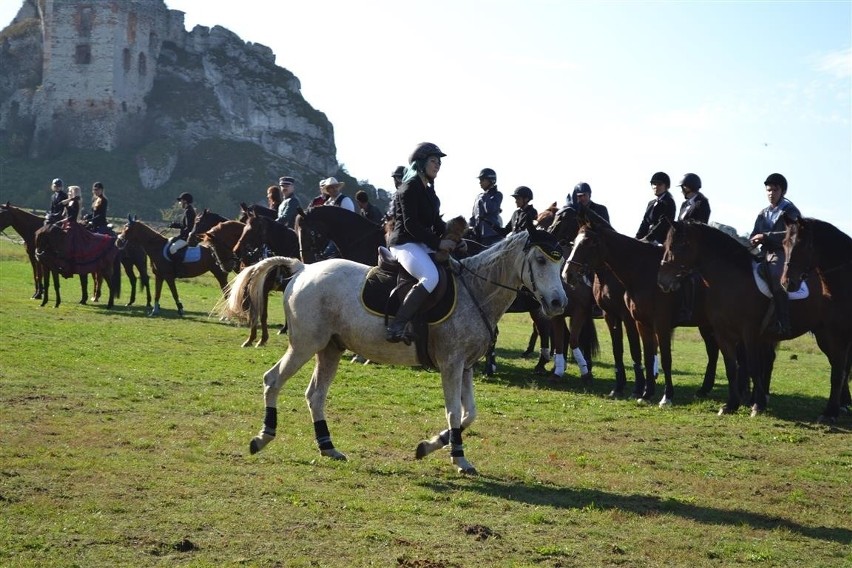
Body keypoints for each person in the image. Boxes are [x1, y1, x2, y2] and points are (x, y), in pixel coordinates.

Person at [386, 142, 453, 344]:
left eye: (439, 162)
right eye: (434, 161)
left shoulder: (429, 191)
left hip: (421, 244)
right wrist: (438, 243)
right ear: (421, 163)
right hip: (404, 244)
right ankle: (397, 325)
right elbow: (411, 225)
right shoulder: (409, 187)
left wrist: (454, 239)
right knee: (430, 277)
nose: (438, 165)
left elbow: (436, 223)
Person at [749, 173, 801, 336]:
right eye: (768, 190)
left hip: (782, 252)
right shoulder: (763, 212)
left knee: (776, 277)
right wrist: (752, 240)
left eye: (775, 190)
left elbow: (792, 234)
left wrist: (766, 237)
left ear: (783, 191)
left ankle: (783, 323)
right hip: (764, 252)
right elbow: (755, 232)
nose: (771, 193)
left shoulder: (790, 211)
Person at [636, 171, 676, 244]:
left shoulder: (669, 202)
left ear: (666, 186)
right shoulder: (651, 203)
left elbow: (664, 223)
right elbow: (645, 223)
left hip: (661, 241)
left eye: (659, 184)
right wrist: (637, 239)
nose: (656, 187)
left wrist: (649, 238)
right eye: (654, 184)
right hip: (647, 240)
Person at [469, 168, 503, 246]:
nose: (480, 182)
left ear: (491, 180)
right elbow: (474, 216)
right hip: (478, 236)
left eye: (482, 179)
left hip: (492, 236)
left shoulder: (497, 195)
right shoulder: (479, 196)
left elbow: (489, 209)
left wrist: (486, 194)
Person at [168, 192, 196, 262]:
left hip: (186, 238)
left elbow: (189, 228)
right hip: (185, 236)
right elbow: (184, 225)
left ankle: (180, 267)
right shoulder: (188, 210)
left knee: (172, 249)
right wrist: (175, 225)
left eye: (181, 201)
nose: (180, 203)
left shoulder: (188, 211)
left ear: (185, 201)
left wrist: (179, 237)